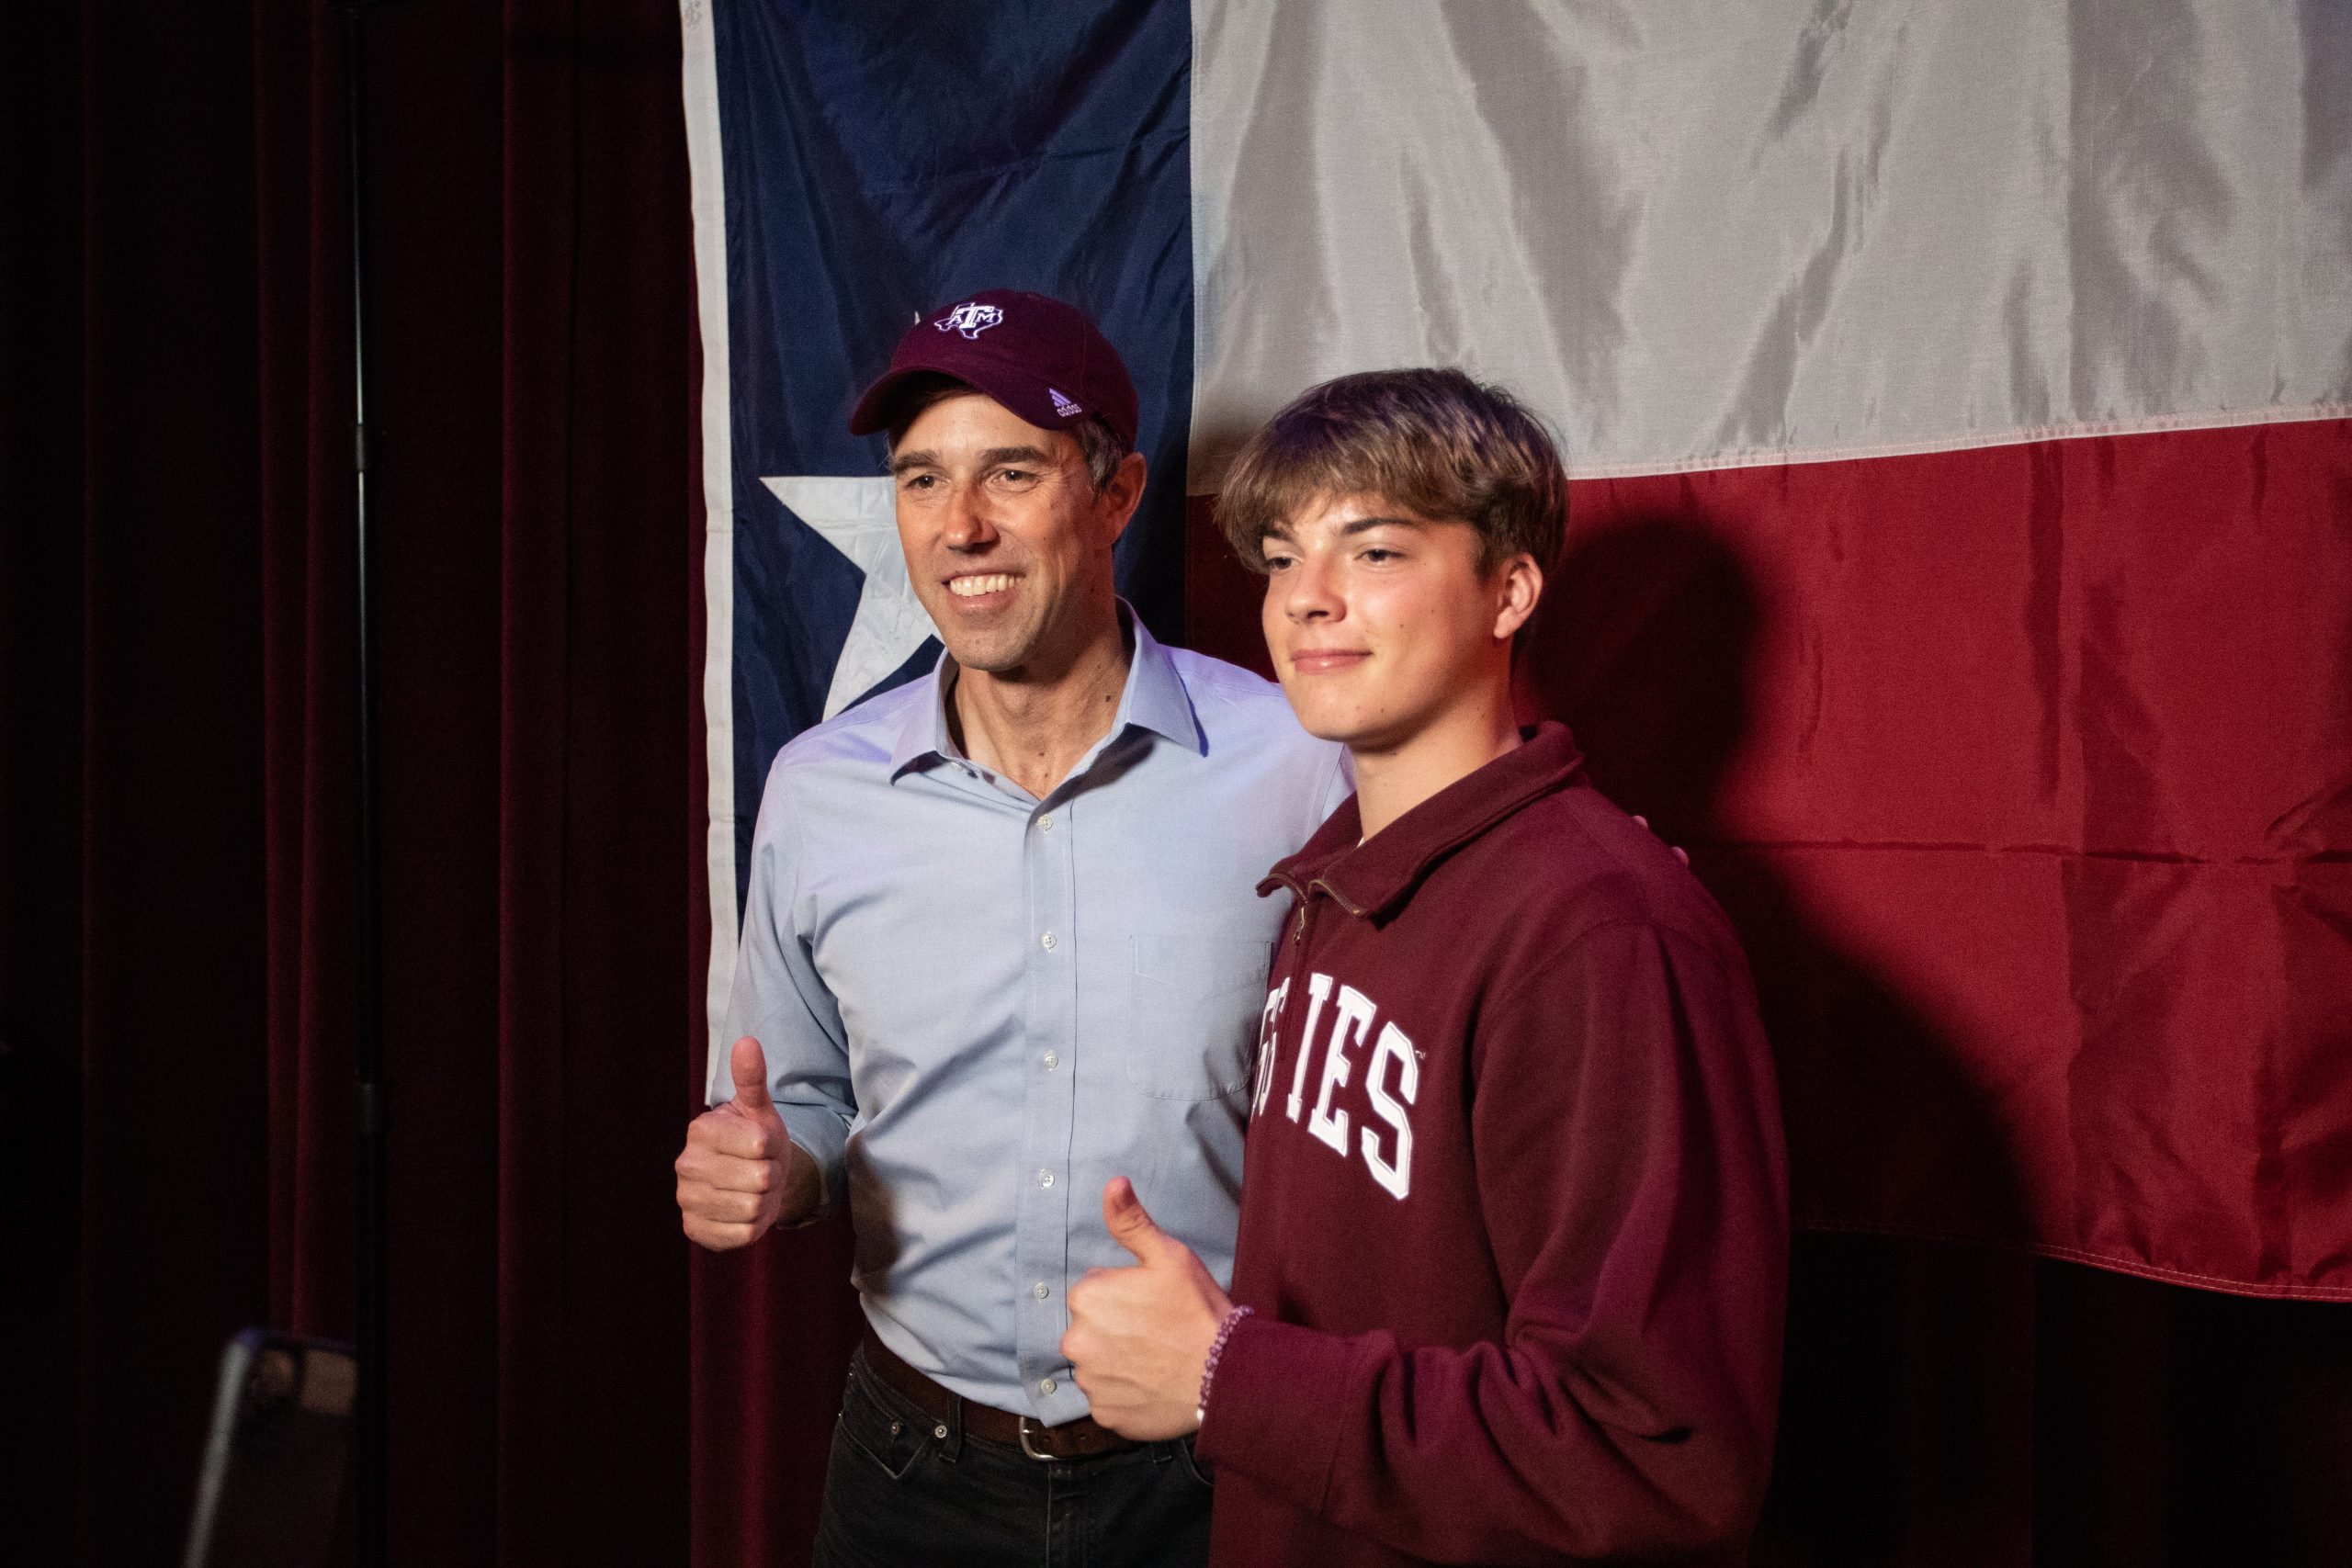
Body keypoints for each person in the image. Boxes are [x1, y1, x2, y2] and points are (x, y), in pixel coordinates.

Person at [1060, 368, 1790, 1566]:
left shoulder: (1602, 933)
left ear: (1509, 590)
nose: (1308, 599)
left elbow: (1652, 1455)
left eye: (1376, 550)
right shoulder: (1337, 883)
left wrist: (1228, 1376)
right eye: (1285, 557)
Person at [669, 289, 1349, 1568]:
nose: (960, 525)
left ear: (1117, 493)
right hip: (908, 1475)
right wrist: (770, 1161)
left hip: (1207, 1478)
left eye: (1012, 472)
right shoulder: (819, 791)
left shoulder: (1296, 771)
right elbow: (802, 1099)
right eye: (922, 479)